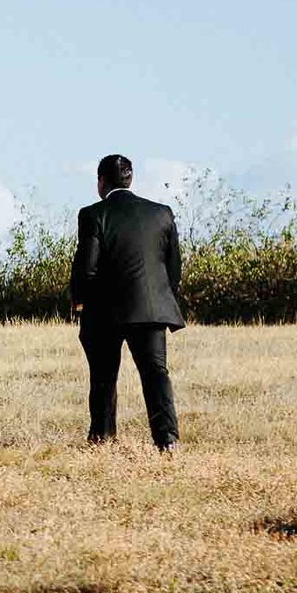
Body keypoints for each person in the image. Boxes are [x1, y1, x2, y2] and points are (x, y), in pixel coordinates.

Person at [71, 153, 184, 450]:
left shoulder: (93, 214)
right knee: (156, 373)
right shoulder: (162, 213)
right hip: (151, 307)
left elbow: (87, 267)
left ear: (101, 182)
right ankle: (167, 439)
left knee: (104, 376)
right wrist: (161, 296)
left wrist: (80, 303)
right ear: (130, 179)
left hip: (105, 311)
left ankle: (102, 437)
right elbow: (173, 267)